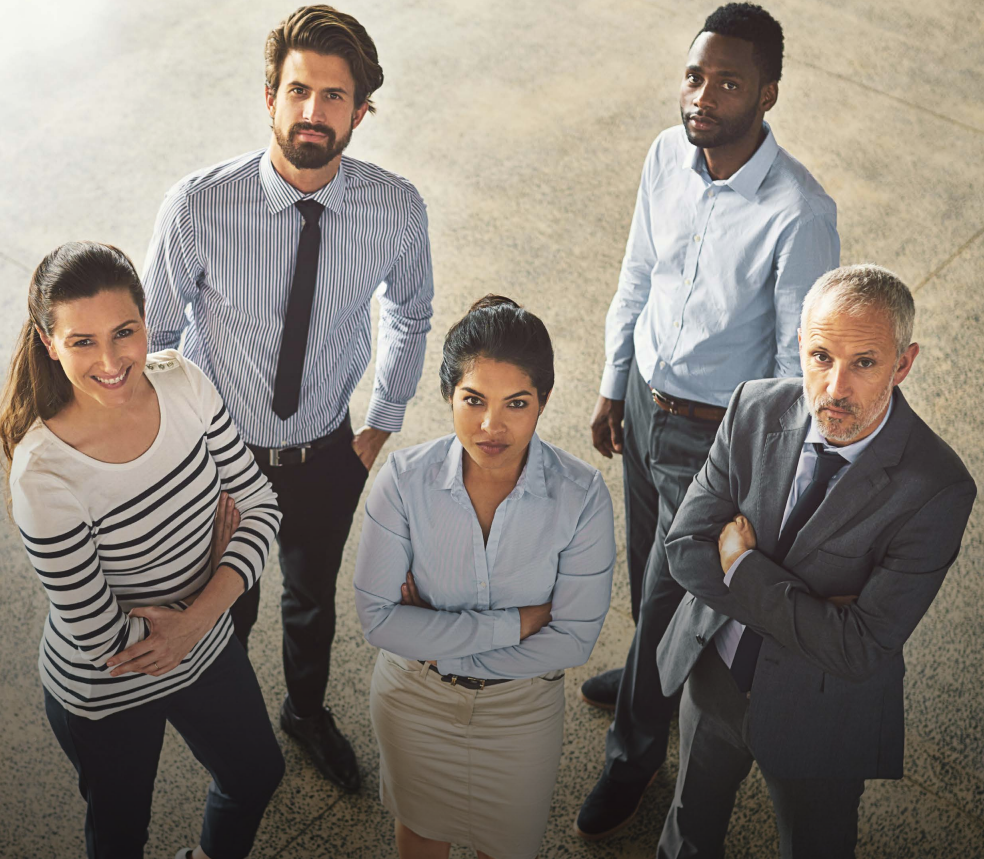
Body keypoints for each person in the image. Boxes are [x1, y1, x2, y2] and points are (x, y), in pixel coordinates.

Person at [142, 4, 434, 791]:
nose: (313, 111)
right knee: (222, 608)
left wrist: (378, 426)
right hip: (218, 459)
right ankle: (235, 738)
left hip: (324, 451)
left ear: (361, 112)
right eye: (298, 90)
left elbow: (411, 311)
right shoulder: (198, 207)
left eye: (334, 96)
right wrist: (176, 454)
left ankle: (305, 712)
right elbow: (154, 341)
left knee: (311, 601)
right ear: (269, 94)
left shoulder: (396, 209)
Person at [576, 2, 840, 838]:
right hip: (648, 406)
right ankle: (640, 674)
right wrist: (615, 383)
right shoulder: (667, 154)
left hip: (715, 437)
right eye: (695, 75)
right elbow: (638, 272)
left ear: (768, 94)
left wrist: (745, 472)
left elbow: (793, 373)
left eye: (728, 81)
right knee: (642, 564)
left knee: (669, 590)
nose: (703, 95)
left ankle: (636, 751)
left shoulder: (799, 212)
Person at [654, 264, 976, 858]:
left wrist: (745, 568)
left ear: (903, 364)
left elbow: (859, 649)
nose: (834, 387)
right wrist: (811, 609)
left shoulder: (938, 488)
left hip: (822, 713)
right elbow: (685, 549)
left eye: (865, 362)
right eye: (821, 356)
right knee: (687, 836)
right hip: (714, 674)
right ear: (800, 346)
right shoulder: (753, 406)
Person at [0, 242, 285, 859]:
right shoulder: (42, 475)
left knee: (256, 774)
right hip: (104, 686)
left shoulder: (182, 380)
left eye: (124, 332)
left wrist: (198, 617)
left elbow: (261, 506)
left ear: (146, 320)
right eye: (82, 342)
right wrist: (217, 580)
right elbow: (102, 638)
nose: (110, 360)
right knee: (121, 837)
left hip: (203, 638)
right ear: (50, 344)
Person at [352, 296, 616, 859]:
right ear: (449, 395)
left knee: (509, 847)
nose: (492, 426)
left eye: (516, 403)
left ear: (542, 402)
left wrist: (434, 639)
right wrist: (519, 624)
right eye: (473, 400)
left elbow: (573, 640)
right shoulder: (402, 481)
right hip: (412, 706)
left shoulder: (583, 496)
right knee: (420, 837)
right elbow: (377, 620)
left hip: (519, 714)